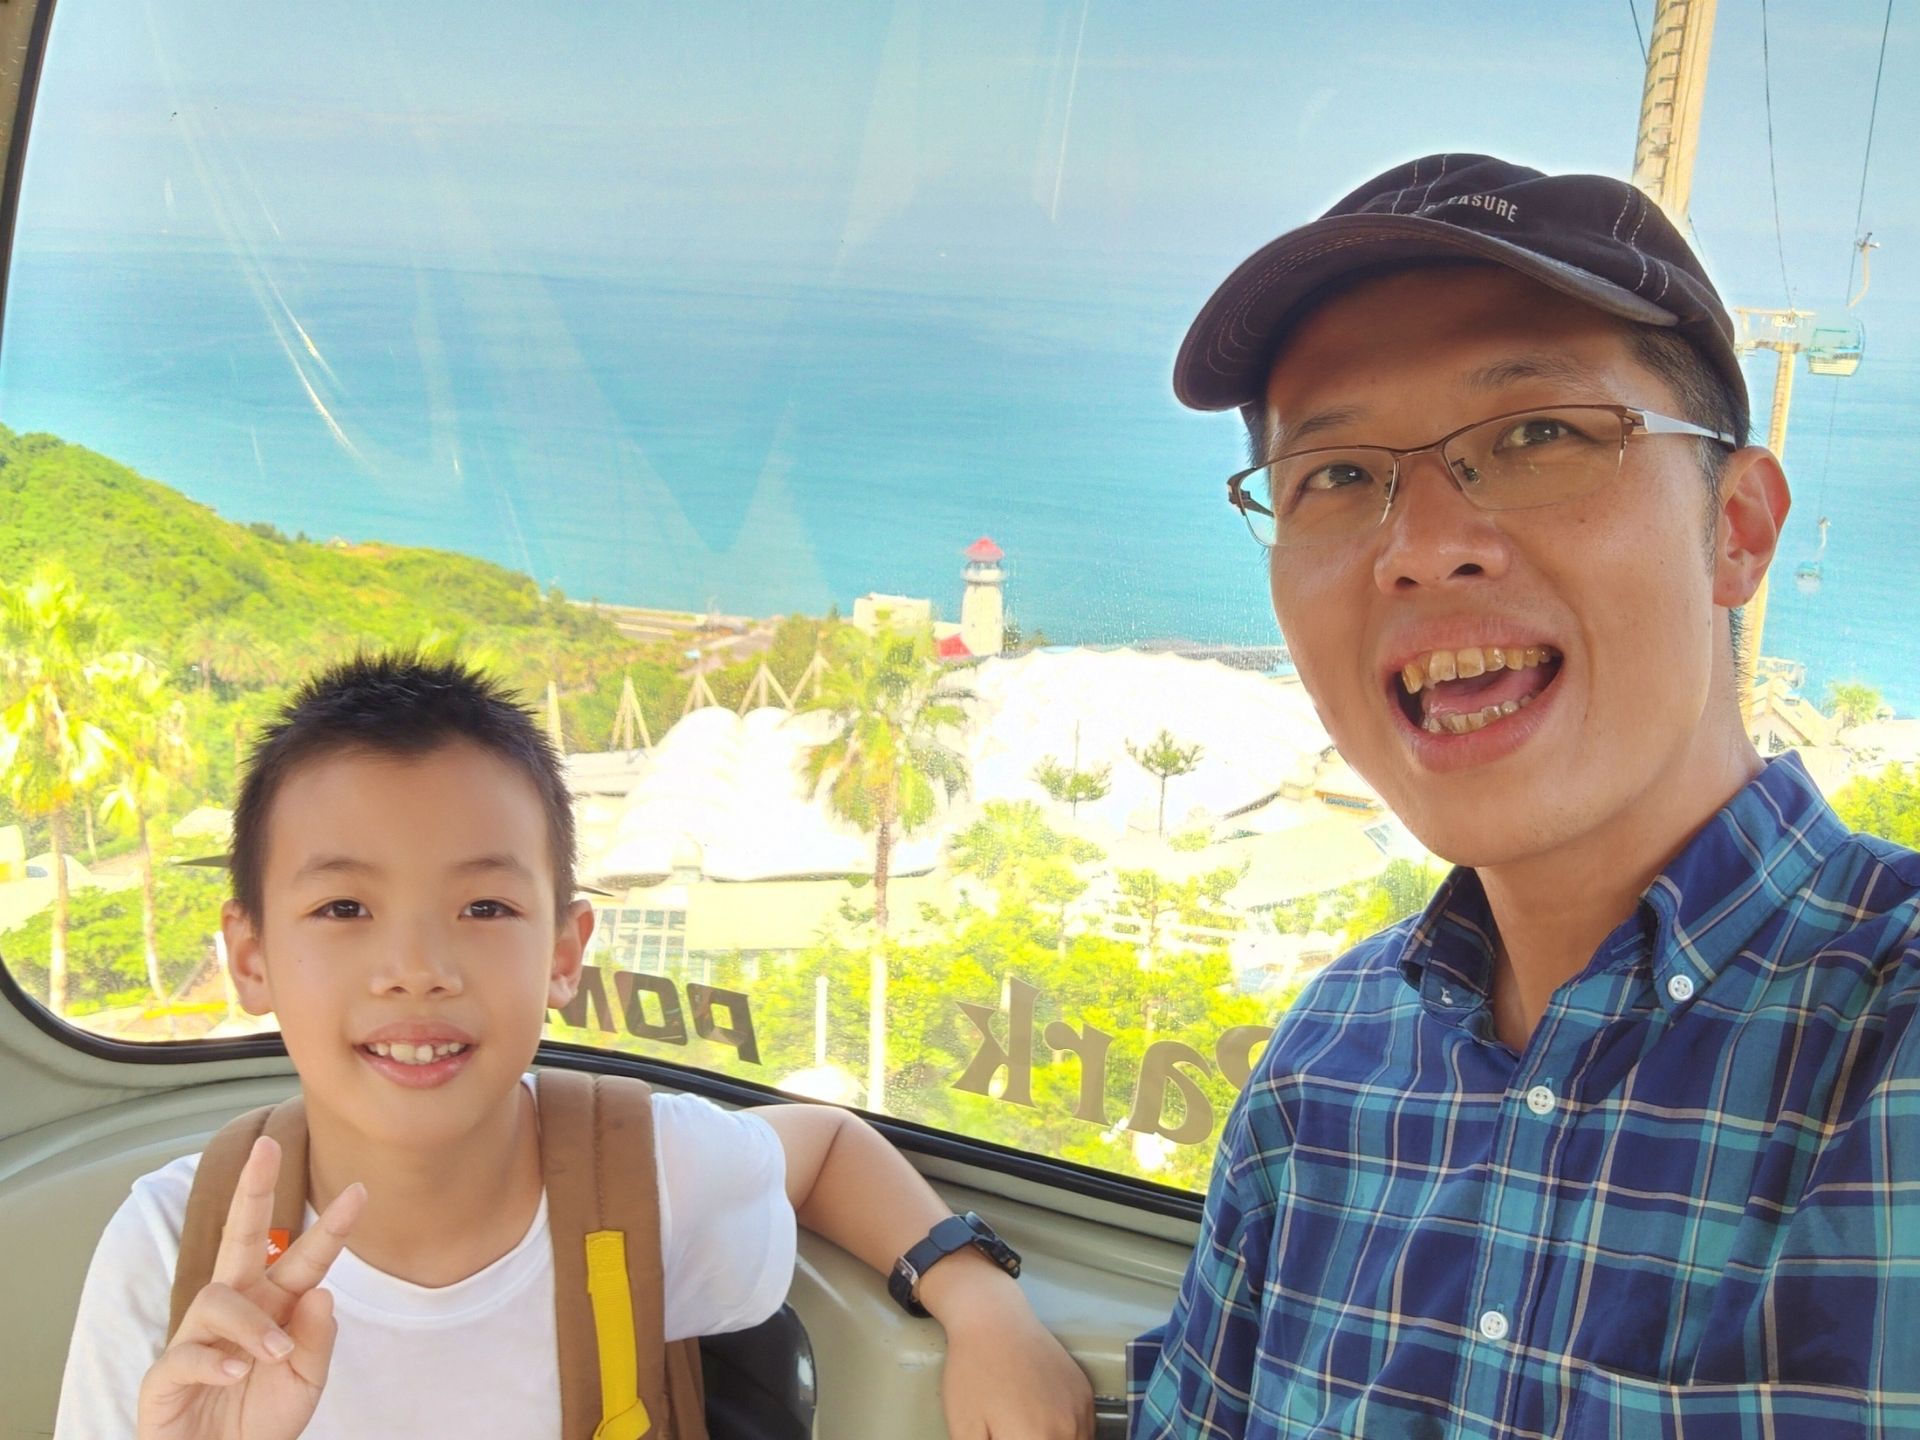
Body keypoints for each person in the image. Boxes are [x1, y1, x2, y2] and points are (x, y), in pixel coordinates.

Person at [1128, 154, 1920, 1438]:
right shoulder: (1327, 1066)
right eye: (1336, 475)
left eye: (1538, 434)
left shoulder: (1890, 1056)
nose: (1424, 546)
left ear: (1737, 531)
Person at [56, 652, 1092, 1440]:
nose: (415, 968)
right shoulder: (173, 1249)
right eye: (342, 908)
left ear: (564, 952)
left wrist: (983, 1306)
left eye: (484, 907)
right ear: (250, 956)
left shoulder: (639, 1174)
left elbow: (821, 1149)